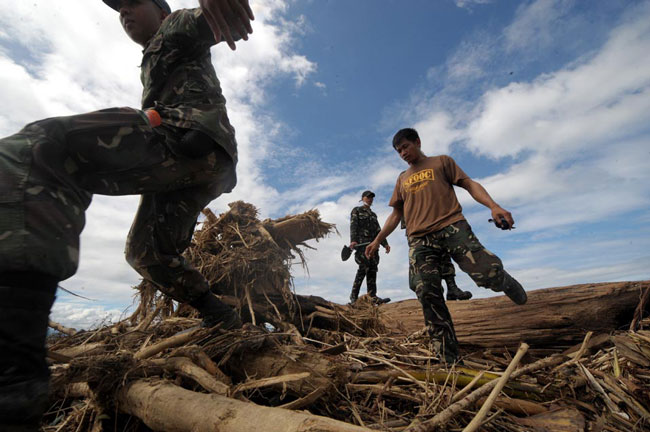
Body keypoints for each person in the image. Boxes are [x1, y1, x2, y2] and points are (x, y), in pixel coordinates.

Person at [0, 0, 254, 429]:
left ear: (160, 8)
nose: (123, 14)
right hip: (203, 162)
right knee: (147, 253)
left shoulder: (172, 29)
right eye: (117, 12)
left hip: (185, 139)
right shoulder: (154, 53)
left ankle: (12, 381)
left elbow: (201, 20)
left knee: (36, 149)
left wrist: (214, 9)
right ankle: (223, 317)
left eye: (132, 3)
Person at [366, 128, 526, 363]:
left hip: (451, 226)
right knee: (426, 292)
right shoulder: (402, 178)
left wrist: (493, 206)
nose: (403, 153)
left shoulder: (441, 162)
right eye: (398, 151)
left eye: (406, 147)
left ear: (418, 142)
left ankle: (504, 281)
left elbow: (469, 184)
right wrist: (378, 240)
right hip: (420, 239)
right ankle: (449, 360)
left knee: (486, 272)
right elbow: (396, 215)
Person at [401, 217, 472, 301]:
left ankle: (452, 288)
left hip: (435, 220)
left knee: (444, 250)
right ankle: (433, 291)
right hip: (416, 226)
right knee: (424, 259)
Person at [348, 190, 391, 304]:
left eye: (371, 198)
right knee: (363, 268)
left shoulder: (373, 215)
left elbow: (378, 231)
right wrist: (353, 241)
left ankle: (372, 296)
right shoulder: (356, 210)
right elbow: (353, 225)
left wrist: (385, 243)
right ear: (362, 198)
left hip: (373, 247)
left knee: (373, 270)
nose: (370, 199)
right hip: (362, 246)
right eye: (368, 197)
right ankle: (353, 297)